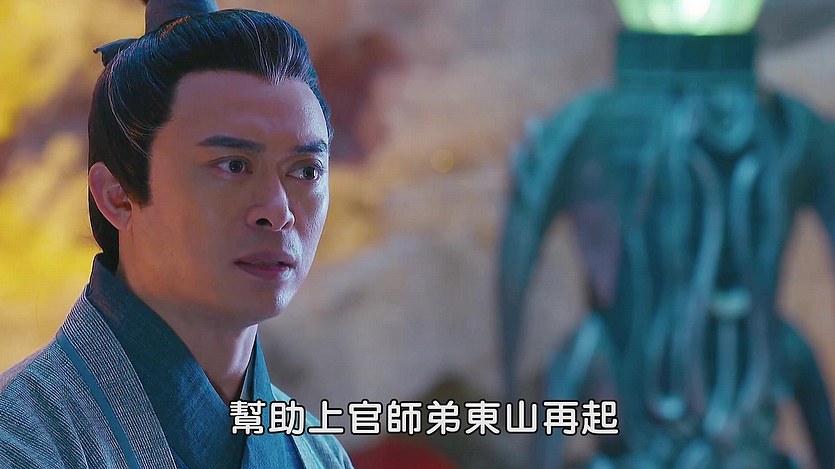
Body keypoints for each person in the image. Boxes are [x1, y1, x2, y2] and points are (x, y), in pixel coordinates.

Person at [0, 1, 353, 467]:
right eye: (233, 166)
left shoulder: (319, 452)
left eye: (306, 170)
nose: (278, 211)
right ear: (118, 197)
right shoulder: (21, 438)